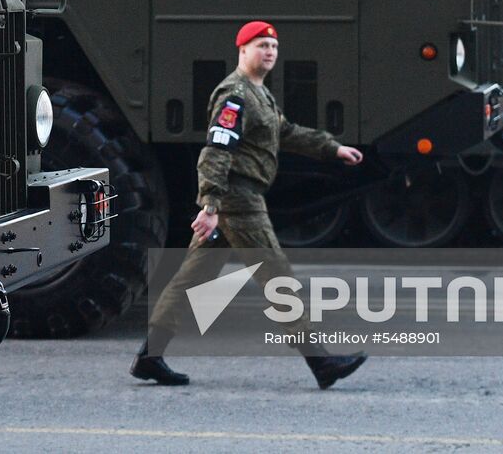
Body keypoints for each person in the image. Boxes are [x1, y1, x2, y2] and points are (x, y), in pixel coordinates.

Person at [133, 21, 368, 390]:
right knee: (277, 275)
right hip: (238, 199)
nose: (270, 52)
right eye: (261, 45)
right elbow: (216, 150)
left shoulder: (260, 94)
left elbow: (285, 132)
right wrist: (210, 206)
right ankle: (321, 361)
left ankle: (150, 356)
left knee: (192, 278)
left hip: (235, 199)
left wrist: (331, 148)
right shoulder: (235, 95)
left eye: (273, 46)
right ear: (242, 50)